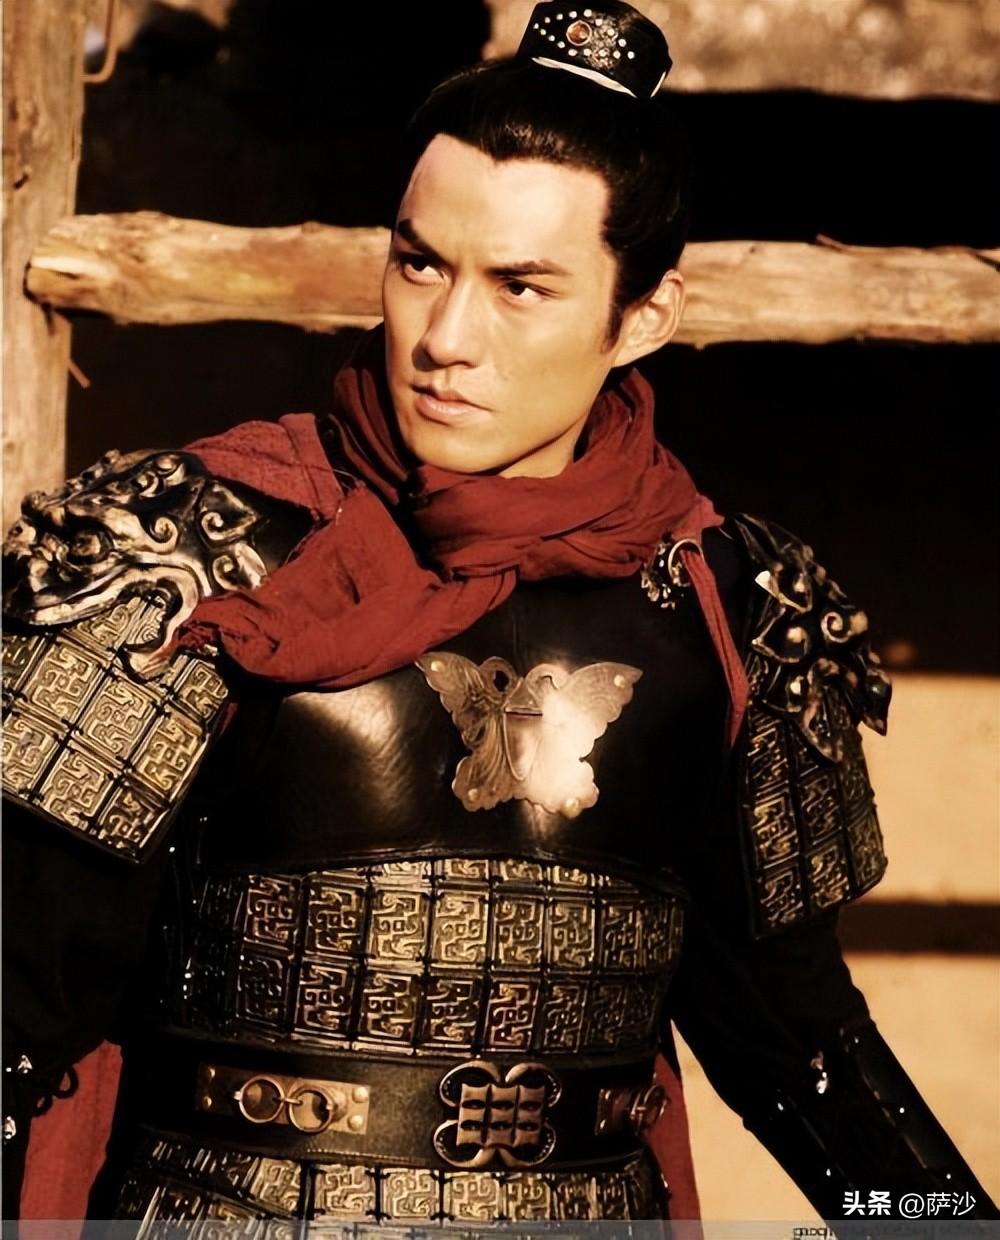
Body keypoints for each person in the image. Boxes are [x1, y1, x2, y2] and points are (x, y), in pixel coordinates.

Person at [2, 1, 996, 1229]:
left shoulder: (730, 607)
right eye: (421, 263)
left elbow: (797, 1045)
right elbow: (16, 1013)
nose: (444, 338)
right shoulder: (194, 556)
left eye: (521, 286)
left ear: (642, 317)